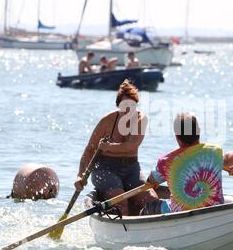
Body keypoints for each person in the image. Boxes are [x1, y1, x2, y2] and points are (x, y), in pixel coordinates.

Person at [74, 79, 157, 216]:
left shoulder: (141, 119)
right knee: (121, 203)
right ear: (118, 106)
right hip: (105, 169)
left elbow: (131, 147)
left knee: (151, 201)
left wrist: (108, 146)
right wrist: (80, 176)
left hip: (132, 169)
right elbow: (90, 149)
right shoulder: (107, 121)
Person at [142, 113, 224, 214]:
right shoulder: (216, 151)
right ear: (199, 131)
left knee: (148, 208)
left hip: (179, 212)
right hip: (215, 208)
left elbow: (151, 180)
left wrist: (151, 181)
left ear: (177, 136)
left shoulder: (166, 161)